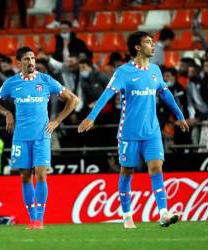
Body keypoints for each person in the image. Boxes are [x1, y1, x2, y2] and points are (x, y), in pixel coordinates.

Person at [78, 31, 189, 229]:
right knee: (127, 171)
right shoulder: (123, 72)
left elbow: (166, 94)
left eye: (153, 42)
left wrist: (179, 115)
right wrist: (91, 117)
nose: (153, 46)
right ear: (137, 47)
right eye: (148, 42)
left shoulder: (155, 69)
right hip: (129, 132)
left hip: (152, 132)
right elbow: (106, 95)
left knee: (156, 168)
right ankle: (127, 215)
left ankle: (164, 213)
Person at [0, 47, 79, 229]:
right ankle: (32, 218)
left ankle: (39, 219)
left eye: (33, 58)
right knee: (25, 177)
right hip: (21, 137)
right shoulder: (11, 83)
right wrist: (7, 113)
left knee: (41, 173)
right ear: (19, 62)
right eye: (26, 59)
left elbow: (73, 100)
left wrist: (57, 121)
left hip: (42, 136)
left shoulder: (45, 80)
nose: (31, 62)